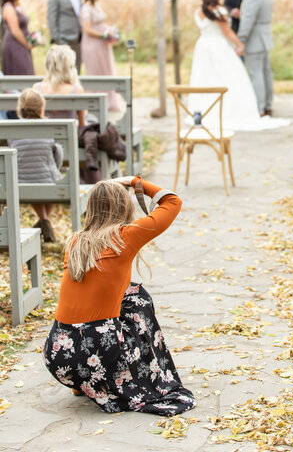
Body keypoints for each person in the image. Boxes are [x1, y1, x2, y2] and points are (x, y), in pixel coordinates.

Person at [43, 177, 196, 416]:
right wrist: (136, 182)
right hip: (99, 355)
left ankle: (85, 384)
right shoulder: (125, 237)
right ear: (123, 207)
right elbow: (172, 201)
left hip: (58, 356)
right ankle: (121, 376)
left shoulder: (74, 241)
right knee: (138, 301)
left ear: (91, 208)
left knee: (128, 294)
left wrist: (104, 186)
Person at [189, 0, 288, 131]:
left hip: (203, 47)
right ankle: (229, 111)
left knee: (204, 77)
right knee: (229, 78)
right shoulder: (219, 10)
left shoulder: (198, 11)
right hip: (219, 47)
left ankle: (203, 111)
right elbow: (227, 32)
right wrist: (240, 45)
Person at [9, 89, 63, 242]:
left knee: (32, 178)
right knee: (51, 178)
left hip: (20, 181)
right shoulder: (48, 128)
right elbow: (58, 155)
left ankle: (43, 222)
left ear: (19, 109)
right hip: (50, 182)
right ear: (41, 109)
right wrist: (55, 168)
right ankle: (45, 222)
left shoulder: (12, 130)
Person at [237, 0, 274, 116]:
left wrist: (241, 40)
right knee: (266, 73)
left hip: (254, 40)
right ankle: (268, 105)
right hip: (265, 37)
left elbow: (247, 20)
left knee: (256, 74)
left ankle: (259, 108)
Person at [80, 0, 122, 111]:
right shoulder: (86, 9)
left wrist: (110, 32)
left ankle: (109, 101)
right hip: (92, 45)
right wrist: (103, 35)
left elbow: (100, 23)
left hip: (102, 45)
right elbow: (87, 29)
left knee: (106, 70)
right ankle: (94, 101)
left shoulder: (96, 6)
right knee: (95, 71)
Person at [33, 44, 85, 128]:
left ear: (48, 65)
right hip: (70, 139)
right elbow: (82, 126)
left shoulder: (36, 88)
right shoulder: (77, 90)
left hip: (44, 138)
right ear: (69, 66)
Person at [47, 0, 82, 73]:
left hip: (78, 39)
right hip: (63, 39)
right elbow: (51, 17)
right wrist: (57, 38)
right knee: (63, 70)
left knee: (76, 69)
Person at [1, 0, 34, 75]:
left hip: (21, 43)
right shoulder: (8, 8)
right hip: (14, 44)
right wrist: (27, 44)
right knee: (21, 70)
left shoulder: (16, 7)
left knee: (26, 69)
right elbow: (15, 30)